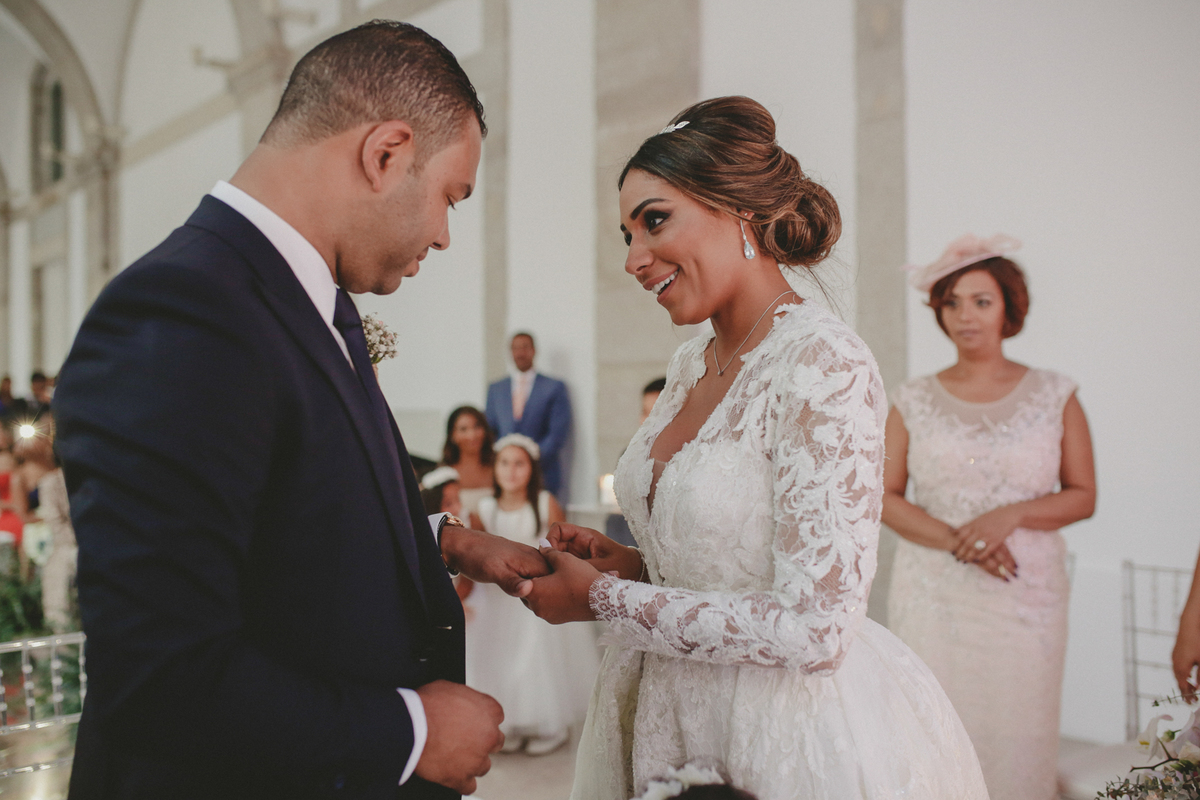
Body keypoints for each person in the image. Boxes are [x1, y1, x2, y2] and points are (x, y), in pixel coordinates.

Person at [53, 21, 550, 800]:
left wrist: (439, 541)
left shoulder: (302, 298)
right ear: (385, 154)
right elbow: (160, 675)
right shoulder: (183, 311)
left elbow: (277, 520)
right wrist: (410, 732)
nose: (444, 235)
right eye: (450, 197)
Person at [522, 96, 988, 800]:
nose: (633, 259)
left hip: (773, 727)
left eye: (654, 221)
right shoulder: (689, 366)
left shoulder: (823, 362)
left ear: (738, 208)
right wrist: (634, 566)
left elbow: (817, 627)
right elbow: (724, 564)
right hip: (659, 709)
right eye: (626, 234)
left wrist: (608, 600)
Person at [883, 234, 1097, 800]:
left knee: (1018, 737)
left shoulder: (1055, 394)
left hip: (1024, 598)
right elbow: (884, 497)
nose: (965, 316)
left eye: (981, 301)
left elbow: (1083, 496)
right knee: (935, 732)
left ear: (1009, 307)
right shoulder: (912, 398)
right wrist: (961, 540)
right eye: (952, 302)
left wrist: (1010, 515)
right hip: (934, 595)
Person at [465, 434, 597, 756]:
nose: (511, 471)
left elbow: (562, 550)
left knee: (533, 659)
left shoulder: (544, 502)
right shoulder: (484, 508)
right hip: (497, 599)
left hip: (535, 595)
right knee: (500, 661)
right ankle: (510, 724)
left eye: (519, 464)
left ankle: (548, 726)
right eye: (504, 463)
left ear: (531, 469)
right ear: (495, 468)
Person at [485, 333, 572, 499]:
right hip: (505, 477)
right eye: (515, 348)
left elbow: (557, 434)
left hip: (543, 472)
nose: (520, 353)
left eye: (525, 347)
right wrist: (505, 462)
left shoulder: (554, 387)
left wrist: (528, 461)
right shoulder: (496, 389)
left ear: (533, 351)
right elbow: (490, 429)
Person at [440, 406, 494, 517]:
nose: (472, 435)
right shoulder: (443, 474)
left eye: (477, 426)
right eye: (463, 429)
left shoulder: (498, 468)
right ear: (452, 435)